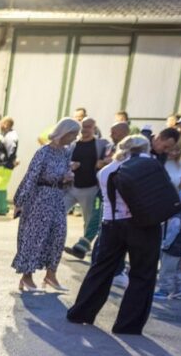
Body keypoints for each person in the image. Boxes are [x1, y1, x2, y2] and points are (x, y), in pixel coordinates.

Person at [66, 135, 164, 335]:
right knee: (142, 274)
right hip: (144, 226)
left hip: (112, 224)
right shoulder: (149, 165)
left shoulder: (106, 171)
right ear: (144, 149)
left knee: (101, 270)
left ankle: (81, 313)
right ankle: (128, 325)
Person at [12, 118, 80, 292]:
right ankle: (26, 277)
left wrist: (67, 177)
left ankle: (51, 275)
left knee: (58, 234)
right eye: (73, 133)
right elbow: (31, 176)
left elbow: (63, 173)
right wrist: (20, 201)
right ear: (64, 132)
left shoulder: (65, 152)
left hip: (57, 197)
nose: (75, 137)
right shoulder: (43, 152)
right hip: (40, 198)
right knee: (35, 236)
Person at [61, 119, 112, 261]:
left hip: (90, 188)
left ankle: (84, 247)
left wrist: (103, 162)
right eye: (83, 127)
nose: (85, 129)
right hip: (72, 187)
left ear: (94, 128)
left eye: (88, 127)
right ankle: (54, 241)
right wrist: (70, 165)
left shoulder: (101, 144)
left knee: (90, 220)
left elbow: (110, 157)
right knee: (59, 210)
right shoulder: (73, 145)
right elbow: (65, 161)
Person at [155, 189, 181, 300]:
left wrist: (164, 244)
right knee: (176, 269)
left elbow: (172, 232)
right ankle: (179, 288)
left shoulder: (177, 218)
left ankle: (164, 290)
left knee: (166, 269)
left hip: (172, 248)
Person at [0, 116, 19, 216]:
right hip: (2, 165)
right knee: (0, 186)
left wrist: (7, 160)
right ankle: (2, 207)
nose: (0, 125)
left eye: (2, 123)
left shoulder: (10, 136)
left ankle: (1, 208)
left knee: (0, 187)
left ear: (6, 124)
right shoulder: (8, 135)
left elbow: (11, 151)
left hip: (3, 166)